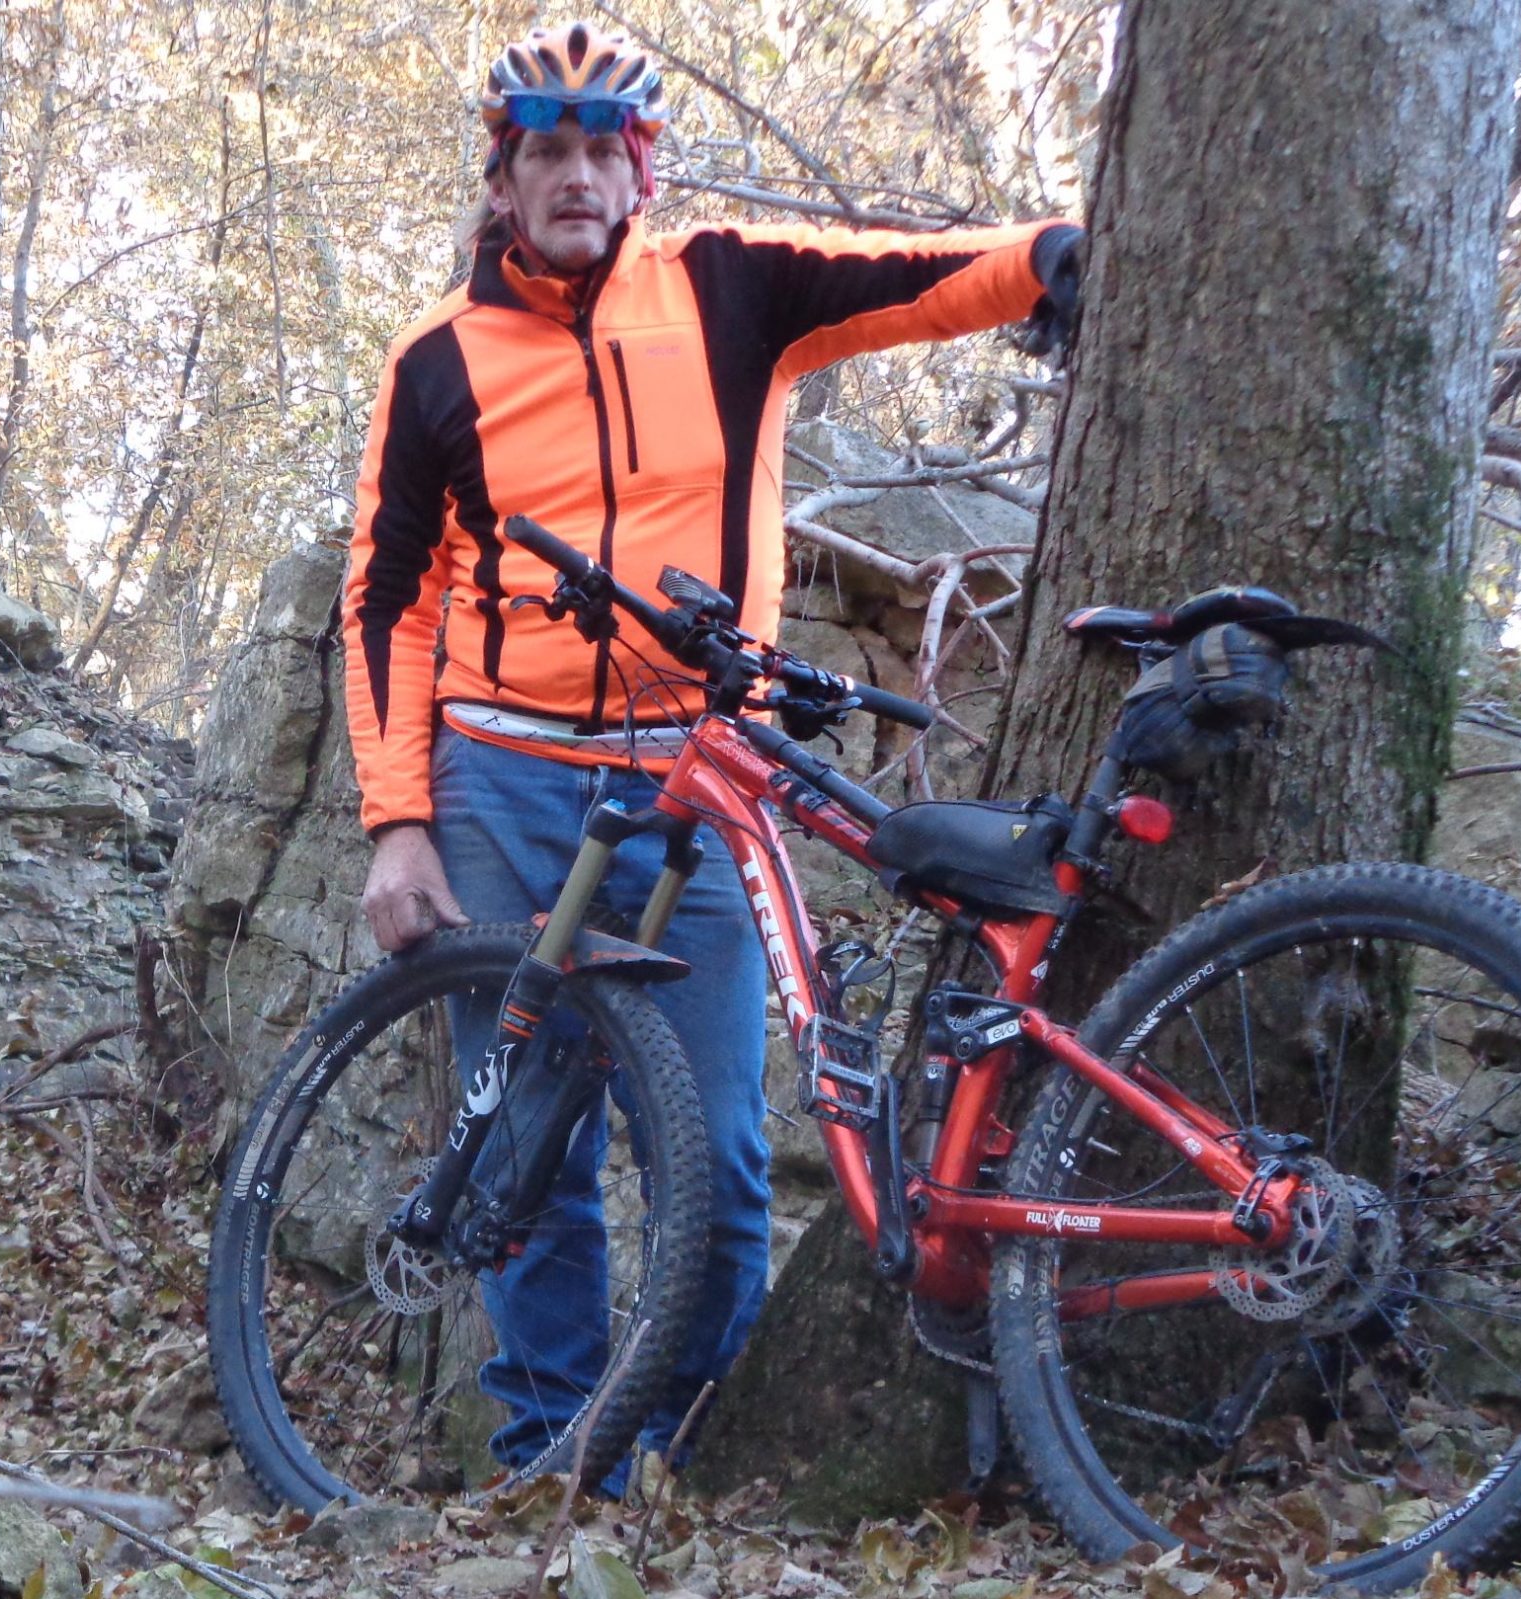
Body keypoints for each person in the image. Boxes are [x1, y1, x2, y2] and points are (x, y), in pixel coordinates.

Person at [342, 20, 1083, 1481]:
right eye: (541, 151)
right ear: (501, 183)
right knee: (526, 1154)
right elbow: (386, 602)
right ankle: (553, 1456)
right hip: (502, 781)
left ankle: (687, 1452)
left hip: (694, 783)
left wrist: (1048, 255)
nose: (572, 175)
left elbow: (913, 282)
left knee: (722, 1160)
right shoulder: (437, 361)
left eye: (599, 149)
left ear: (642, 169)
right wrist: (397, 823)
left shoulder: (727, 291)